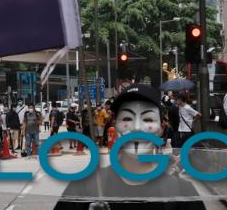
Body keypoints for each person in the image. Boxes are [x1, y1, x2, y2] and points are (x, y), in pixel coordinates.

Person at [56, 85, 206, 210]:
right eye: (127, 118)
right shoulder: (83, 189)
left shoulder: (183, 193)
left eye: (147, 119)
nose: (137, 128)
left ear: (160, 128)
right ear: (115, 124)